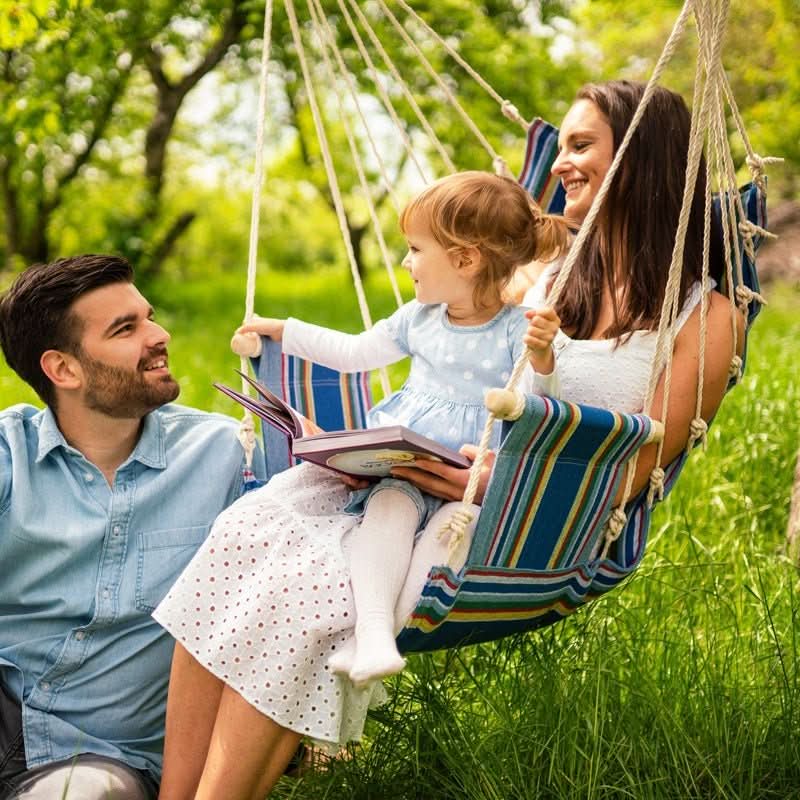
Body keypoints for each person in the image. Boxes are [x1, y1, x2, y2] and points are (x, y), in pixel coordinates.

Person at [155, 80, 745, 800]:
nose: (561, 163)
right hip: (426, 484)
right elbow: (462, 280)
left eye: (582, 144)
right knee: (244, 537)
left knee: (306, 594)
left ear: (644, 159)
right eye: (559, 147)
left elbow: (638, 469)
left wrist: (498, 480)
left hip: (523, 526)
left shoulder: (706, 315)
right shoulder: (547, 275)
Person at [152, 171, 569, 799]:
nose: (406, 262)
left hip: (463, 472)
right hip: (401, 466)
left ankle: (376, 637)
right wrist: (279, 329)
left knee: (432, 535)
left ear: (464, 258)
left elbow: (541, 406)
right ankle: (372, 631)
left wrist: (543, 358)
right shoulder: (421, 317)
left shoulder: (516, 329)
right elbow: (352, 351)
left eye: (416, 250)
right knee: (389, 512)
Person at [0, 255, 262, 800]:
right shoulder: (10, 456)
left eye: (149, 317)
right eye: (127, 329)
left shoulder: (224, 456)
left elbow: (344, 492)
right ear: (63, 370)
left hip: (101, 757)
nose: (159, 336)